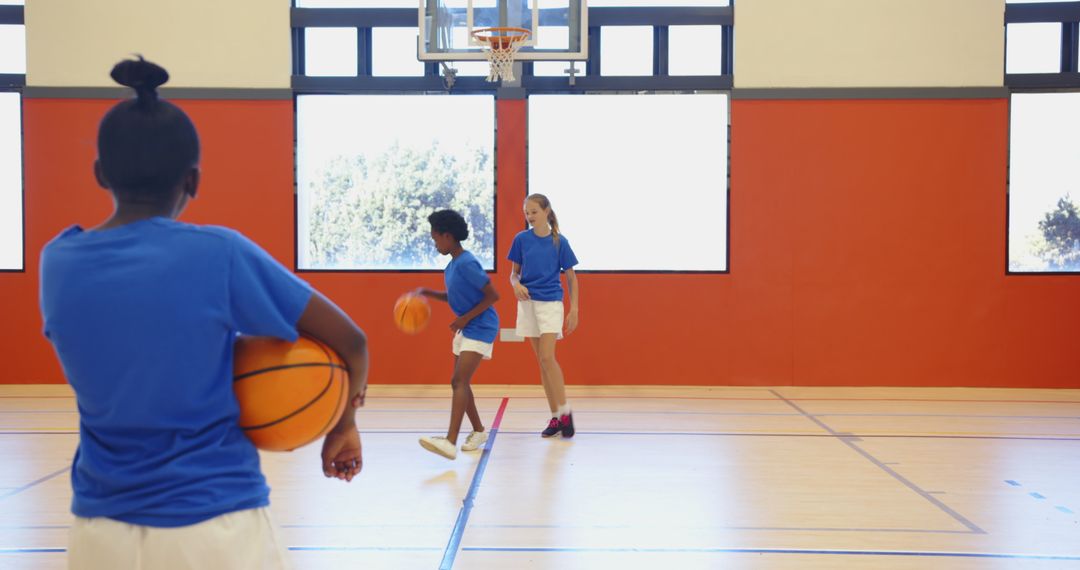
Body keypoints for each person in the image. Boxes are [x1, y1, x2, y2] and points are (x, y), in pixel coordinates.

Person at [38, 57, 368, 570]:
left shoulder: (57, 262)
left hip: (99, 534)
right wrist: (342, 424)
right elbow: (353, 341)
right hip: (217, 525)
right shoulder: (219, 254)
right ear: (193, 180)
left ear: (99, 173)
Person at [414, 209, 500, 460]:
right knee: (460, 381)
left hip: (481, 326)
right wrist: (426, 292)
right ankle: (479, 431)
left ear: (448, 236)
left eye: (435, 238)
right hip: (468, 326)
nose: (434, 243)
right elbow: (452, 296)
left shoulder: (467, 262)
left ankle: (450, 441)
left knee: (458, 382)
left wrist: (465, 318)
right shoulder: (451, 266)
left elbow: (493, 295)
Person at [508, 193, 579, 438]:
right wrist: (515, 284)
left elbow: (571, 278)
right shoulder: (521, 240)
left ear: (547, 211)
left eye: (534, 212)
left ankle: (566, 412)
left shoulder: (560, 242)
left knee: (548, 357)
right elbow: (513, 274)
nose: (529, 217)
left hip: (551, 304)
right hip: (528, 304)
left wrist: (574, 309)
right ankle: (556, 418)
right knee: (542, 362)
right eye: (526, 213)